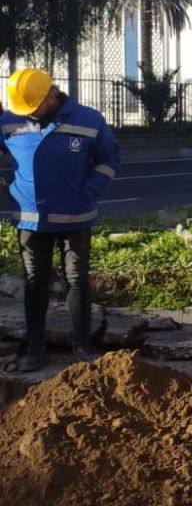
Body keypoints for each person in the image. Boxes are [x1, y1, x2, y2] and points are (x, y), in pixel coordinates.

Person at [1, 68, 120, 371]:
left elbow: (110, 158)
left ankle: (83, 346)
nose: (30, 114)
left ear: (51, 96)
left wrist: (90, 190)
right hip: (31, 220)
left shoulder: (88, 120)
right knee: (34, 283)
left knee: (77, 281)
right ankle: (35, 350)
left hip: (76, 217)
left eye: (35, 108)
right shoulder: (9, 122)